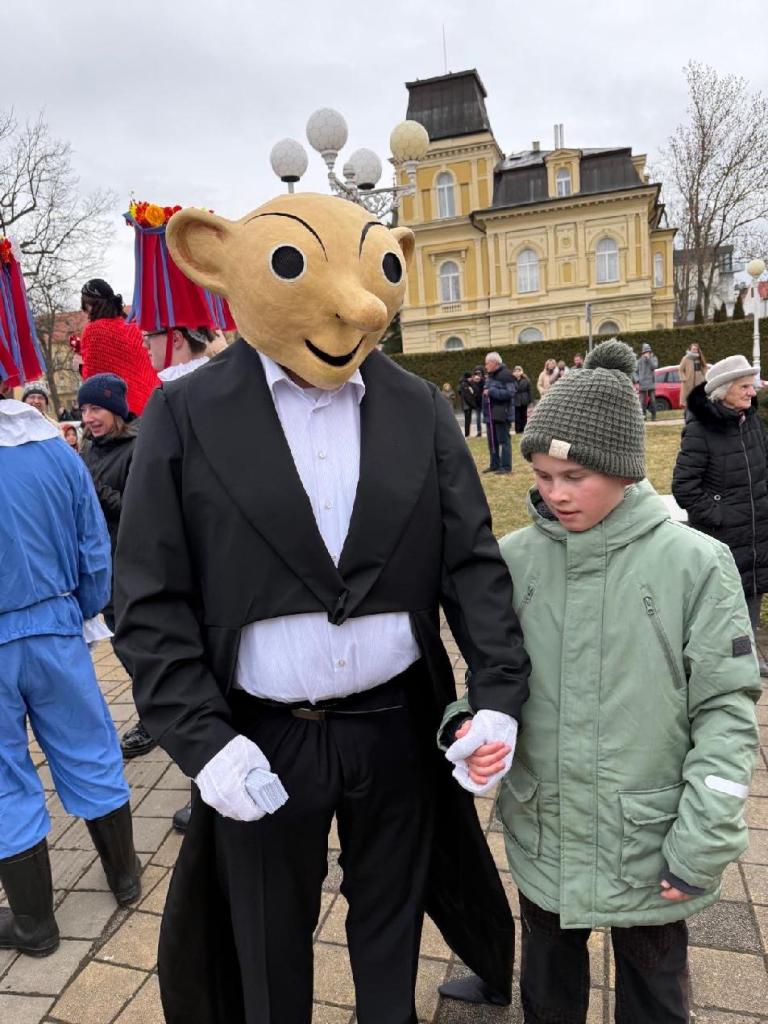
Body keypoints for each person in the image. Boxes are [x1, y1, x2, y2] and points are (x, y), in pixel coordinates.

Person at [114, 193, 531, 1023]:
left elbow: (472, 564)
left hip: (396, 726)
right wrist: (203, 740)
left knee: (392, 925)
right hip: (263, 732)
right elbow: (149, 596)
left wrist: (497, 696)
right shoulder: (186, 413)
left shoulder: (416, 406)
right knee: (267, 943)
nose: (358, 307)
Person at [440, 340, 760, 1021]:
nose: (554, 493)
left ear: (621, 468)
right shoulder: (514, 561)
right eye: (542, 475)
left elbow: (726, 711)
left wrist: (702, 840)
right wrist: (466, 724)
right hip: (545, 832)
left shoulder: (696, 565)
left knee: (654, 993)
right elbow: (490, 677)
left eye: (574, 475)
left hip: (649, 841)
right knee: (548, 989)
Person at [0, 394, 141, 957]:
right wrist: (81, 607)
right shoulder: (53, 450)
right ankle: (125, 876)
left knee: (4, 777)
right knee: (88, 747)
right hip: (56, 626)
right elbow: (93, 542)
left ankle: (35, 923)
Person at [672, 354, 768, 675]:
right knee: (721, 602)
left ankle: (748, 654)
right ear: (724, 390)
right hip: (722, 537)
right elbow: (684, 487)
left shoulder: (751, 422)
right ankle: (717, 663)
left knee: (752, 592)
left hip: (756, 532)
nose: (752, 392)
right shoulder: (700, 430)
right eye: (744, 386)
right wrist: (720, 515)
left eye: (751, 386)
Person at [78, 374, 151, 758]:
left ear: (116, 410)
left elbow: (137, 512)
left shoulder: (137, 447)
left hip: (133, 564)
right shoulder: (90, 448)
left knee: (137, 644)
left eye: (96, 408)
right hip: (102, 566)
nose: (88, 417)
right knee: (123, 646)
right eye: (84, 409)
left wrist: (92, 485)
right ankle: (156, 710)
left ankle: (156, 716)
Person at [80, 279, 160, 415]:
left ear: (89, 305)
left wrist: (80, 366)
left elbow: (93, 380)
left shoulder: (94, 331)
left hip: (127, 411)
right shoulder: (134, 326)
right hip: (156, 398)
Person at [482, 351, 516, 474]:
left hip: (502, 413)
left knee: (503, 441)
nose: (485, 366)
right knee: (492, 441)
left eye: (487, 363)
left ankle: (506, 466)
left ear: (494, 363)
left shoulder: (506, 375)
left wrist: (491, 391)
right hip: (490, 413)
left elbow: (510, 393)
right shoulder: (490, 376)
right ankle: (494, 464)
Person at [678, 342, 709, 406]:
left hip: (699, 380)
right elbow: (680, 370)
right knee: (688, 396)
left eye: (696, 349)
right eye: (693, 349)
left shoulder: (700, 358)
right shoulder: (686, 358)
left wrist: (705, 376)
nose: (695, 350)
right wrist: (684, 378)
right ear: (690, 350)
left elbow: (704, 368)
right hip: (688, 381)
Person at [636, 341, 659, 420]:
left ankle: (654, 415)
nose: (647, 353)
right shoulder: (639, 361)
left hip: (651, 383)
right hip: (642, 384)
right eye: (645, 352)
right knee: (642, 401)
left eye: (648, 352)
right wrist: (637, 380)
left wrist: (649, 359)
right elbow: (634, 372)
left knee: (653, 400)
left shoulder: (654, 358)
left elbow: (654, 366)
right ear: (643, 353)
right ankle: (643, 416)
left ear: (650, 352)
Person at [457, 370, 479, 438]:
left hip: (466, 405)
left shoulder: (464, 384)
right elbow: (468, 397)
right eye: (470, 377)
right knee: (467, 420)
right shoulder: (465, 385)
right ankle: (467, 434)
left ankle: (467, 434)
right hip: (467, 405)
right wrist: (474, 405)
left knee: (468, 420)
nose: (471, 378)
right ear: (467, 378)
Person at [511, 365, 531, 433]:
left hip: (524, 399)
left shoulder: (526, 380)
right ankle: (518, 430)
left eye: (518, 371)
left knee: (524, 415)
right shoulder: (512, 380)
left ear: (521, 372)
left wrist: (530, 400)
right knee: (517, 416)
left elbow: (529, 390)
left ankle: (524, 429)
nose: (517, 373)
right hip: (516, 399)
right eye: (515, 371)